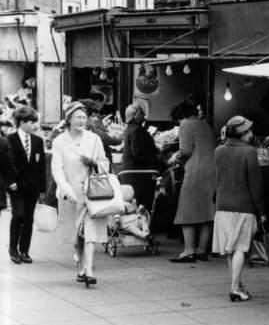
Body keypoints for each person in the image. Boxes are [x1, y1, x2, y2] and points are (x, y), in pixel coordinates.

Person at [50, 100, 110, 287]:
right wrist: (65, 188)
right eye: (77, 117)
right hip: (71, 193)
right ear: (69, 119)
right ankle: (81, 267)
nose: (81, 120)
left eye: (84, 117)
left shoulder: (94, 139)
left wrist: (93, 163)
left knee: (90, 231)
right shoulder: (60, 141)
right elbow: (57, 168)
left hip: (92, 192)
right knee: (76, 234)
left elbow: (104, 163)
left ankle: (89, 269)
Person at [213, 115, 266, 302]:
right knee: (241, 248)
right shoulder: (249, 153)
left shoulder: (218, 151)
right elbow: (255, 185)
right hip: (244, 206)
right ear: (241, 134)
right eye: (248, 131)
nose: (251, 134)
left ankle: (237, 283)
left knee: (230, 248)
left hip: (222, 206)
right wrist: (262, 211)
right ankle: (235, 287)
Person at [169, 98, 216, 263]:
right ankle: (202, 250)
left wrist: (175, 157)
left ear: (181, 115)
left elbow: (186, 150)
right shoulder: (206, 125)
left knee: (186, 210)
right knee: (207, 210)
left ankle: (189, 250)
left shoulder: (185, 125)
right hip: (212, 170)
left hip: (196, 171)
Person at [7, 106, 46, 264]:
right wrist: (10, 182)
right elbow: (5, 164)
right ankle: (13, 249)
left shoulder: (37, 141)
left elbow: (41, 166)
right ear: (21, 122)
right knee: (18, 215)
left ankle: (24, 250)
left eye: (34, 122)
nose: (33, 125)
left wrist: (42, 189)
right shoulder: (10, 140)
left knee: (29, 218)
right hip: (16, 185)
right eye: (30, 122)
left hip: (33, 187)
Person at [121, 102, 164, 173]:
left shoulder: (130, 128)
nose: (144, 115)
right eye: (142, 113)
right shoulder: (137, 130)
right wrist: (156, 157)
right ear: (136, 115)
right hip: (140, 174)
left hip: (132, 172)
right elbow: (138, 153)